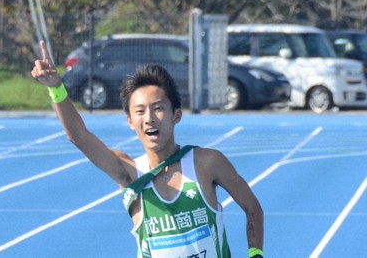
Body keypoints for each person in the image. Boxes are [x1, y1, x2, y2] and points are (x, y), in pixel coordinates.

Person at [31, 40, 264, 258]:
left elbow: (252, 206)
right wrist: (56, 89)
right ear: (130, 121)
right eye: (140, 111)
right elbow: (79, 137)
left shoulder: (206, 163)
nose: (150, 118)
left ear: (176, 115)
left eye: (158, 108)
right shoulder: (129, 173)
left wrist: (256, 255)